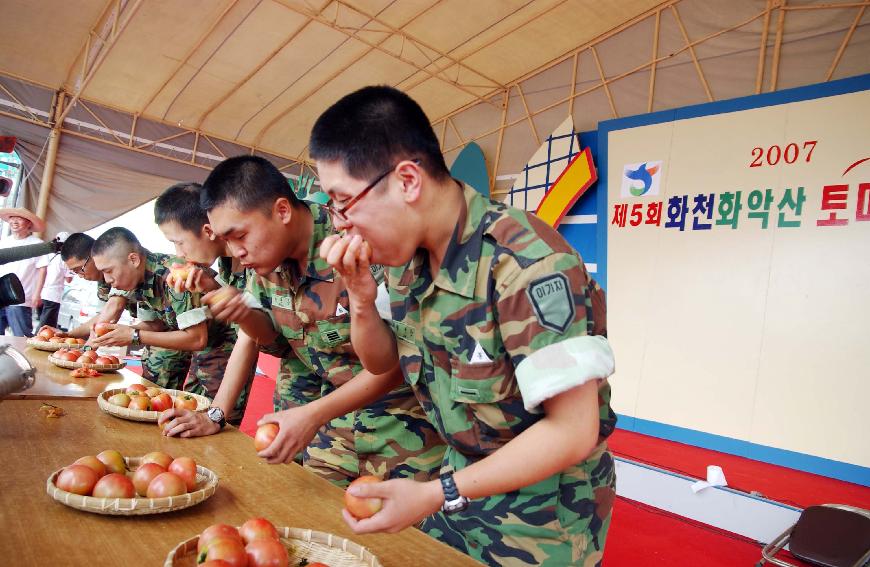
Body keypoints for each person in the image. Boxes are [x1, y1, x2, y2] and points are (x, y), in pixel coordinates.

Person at [312, 86, 616, 566]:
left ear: (408, 180)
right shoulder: (405, 261)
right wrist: (361, 297)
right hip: (458, 485)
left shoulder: (526, 262)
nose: (341, 226)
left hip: (543, 517)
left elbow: (573, 430)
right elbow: (383, 363)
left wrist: (439, 493)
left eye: (344, 202)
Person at [194, 155, 444, 487]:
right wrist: (217, 413)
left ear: (282, 211)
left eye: (238, 235)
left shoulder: (358, 243)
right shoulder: (267, 260)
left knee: (404, 538)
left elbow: (398, 359)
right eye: (227, 240)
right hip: (327, 429)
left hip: (402, 432)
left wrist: (313, 415)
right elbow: (260, 338)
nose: (235, 250)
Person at [150, 182, 255, 426]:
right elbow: (241, 307)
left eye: (180, 242)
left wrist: (216, 416)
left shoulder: (252, 258)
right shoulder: (224, 263)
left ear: (208, 230)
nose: (179, 253)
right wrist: (211, 285)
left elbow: (250, 329)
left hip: (231, 362)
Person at [56, 232, 191, 388]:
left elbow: (113, 310)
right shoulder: (130, 275)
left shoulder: (162, 273)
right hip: (175, 334)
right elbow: (155, 323)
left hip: (208, 341)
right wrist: (70, 335)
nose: (79, 275)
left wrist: (87, 349)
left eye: (80, 269)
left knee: (163, 381)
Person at [88, 228, 207, 393]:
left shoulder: (173, 274)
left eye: (109, 271)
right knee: (153, 388)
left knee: (206, 409)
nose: (108, 280)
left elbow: (197, 339)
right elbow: (156, 324)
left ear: (133, 259)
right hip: (186, 336)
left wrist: (133, 336)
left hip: (223, 342)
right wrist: (120, 333)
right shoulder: (141, 277)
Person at [0, 208, 46, 336]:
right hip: (0, 297)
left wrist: (37, 294)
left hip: (21, 299)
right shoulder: (3, 241)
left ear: (29, 223)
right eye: (12, 217)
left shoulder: (37, 245)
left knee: (21, 336)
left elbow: (42, 270)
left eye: (19, 218)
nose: (14, 221)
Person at [35, 246, 70, 329]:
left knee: (43, 322)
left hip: (42, 294)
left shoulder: (46, 255)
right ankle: (34, 341)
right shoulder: (65, 259)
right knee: (46, 327)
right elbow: (69, 279)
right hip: (53, 296)